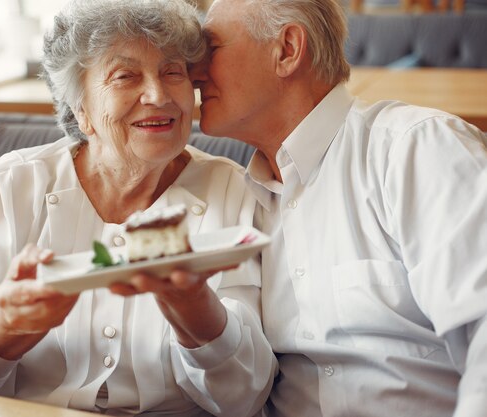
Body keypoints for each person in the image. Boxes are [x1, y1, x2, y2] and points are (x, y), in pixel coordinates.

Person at [0, 0, 277, 415]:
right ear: (80, 110)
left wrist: (195, 307)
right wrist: (6, 325)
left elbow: (246, 397)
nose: (158, 95)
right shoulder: (8, 189)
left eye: (172, 72)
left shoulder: (235, 192)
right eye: (125, 76)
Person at [190, 0, 487, 416]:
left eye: (212, 48)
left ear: (288, 50)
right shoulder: (235, 201)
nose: (193, 71)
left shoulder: (414, 150)